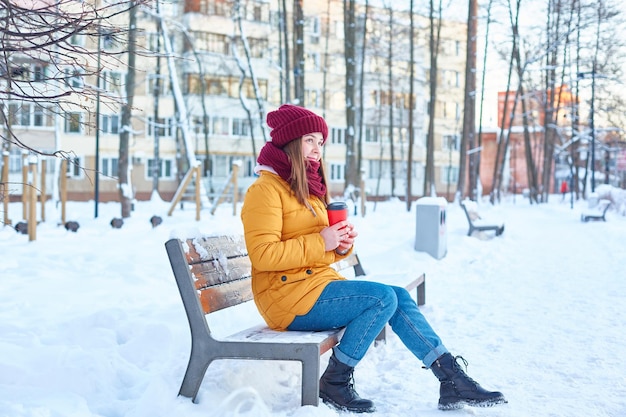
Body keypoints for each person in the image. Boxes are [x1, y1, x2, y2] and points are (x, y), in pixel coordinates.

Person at [240, 104, 507, 413]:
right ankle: (335, 382)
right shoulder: (266, 190)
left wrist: (340, 246)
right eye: (309, 140)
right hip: (284, 298)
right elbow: (263, 255)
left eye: (320, 142)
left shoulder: (308, 190)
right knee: (380, 298)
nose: (317, 149)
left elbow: (316, 252)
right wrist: (321, 240)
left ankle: (450, 378)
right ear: (290, 142)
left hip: (311, 288)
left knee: (397, 295)